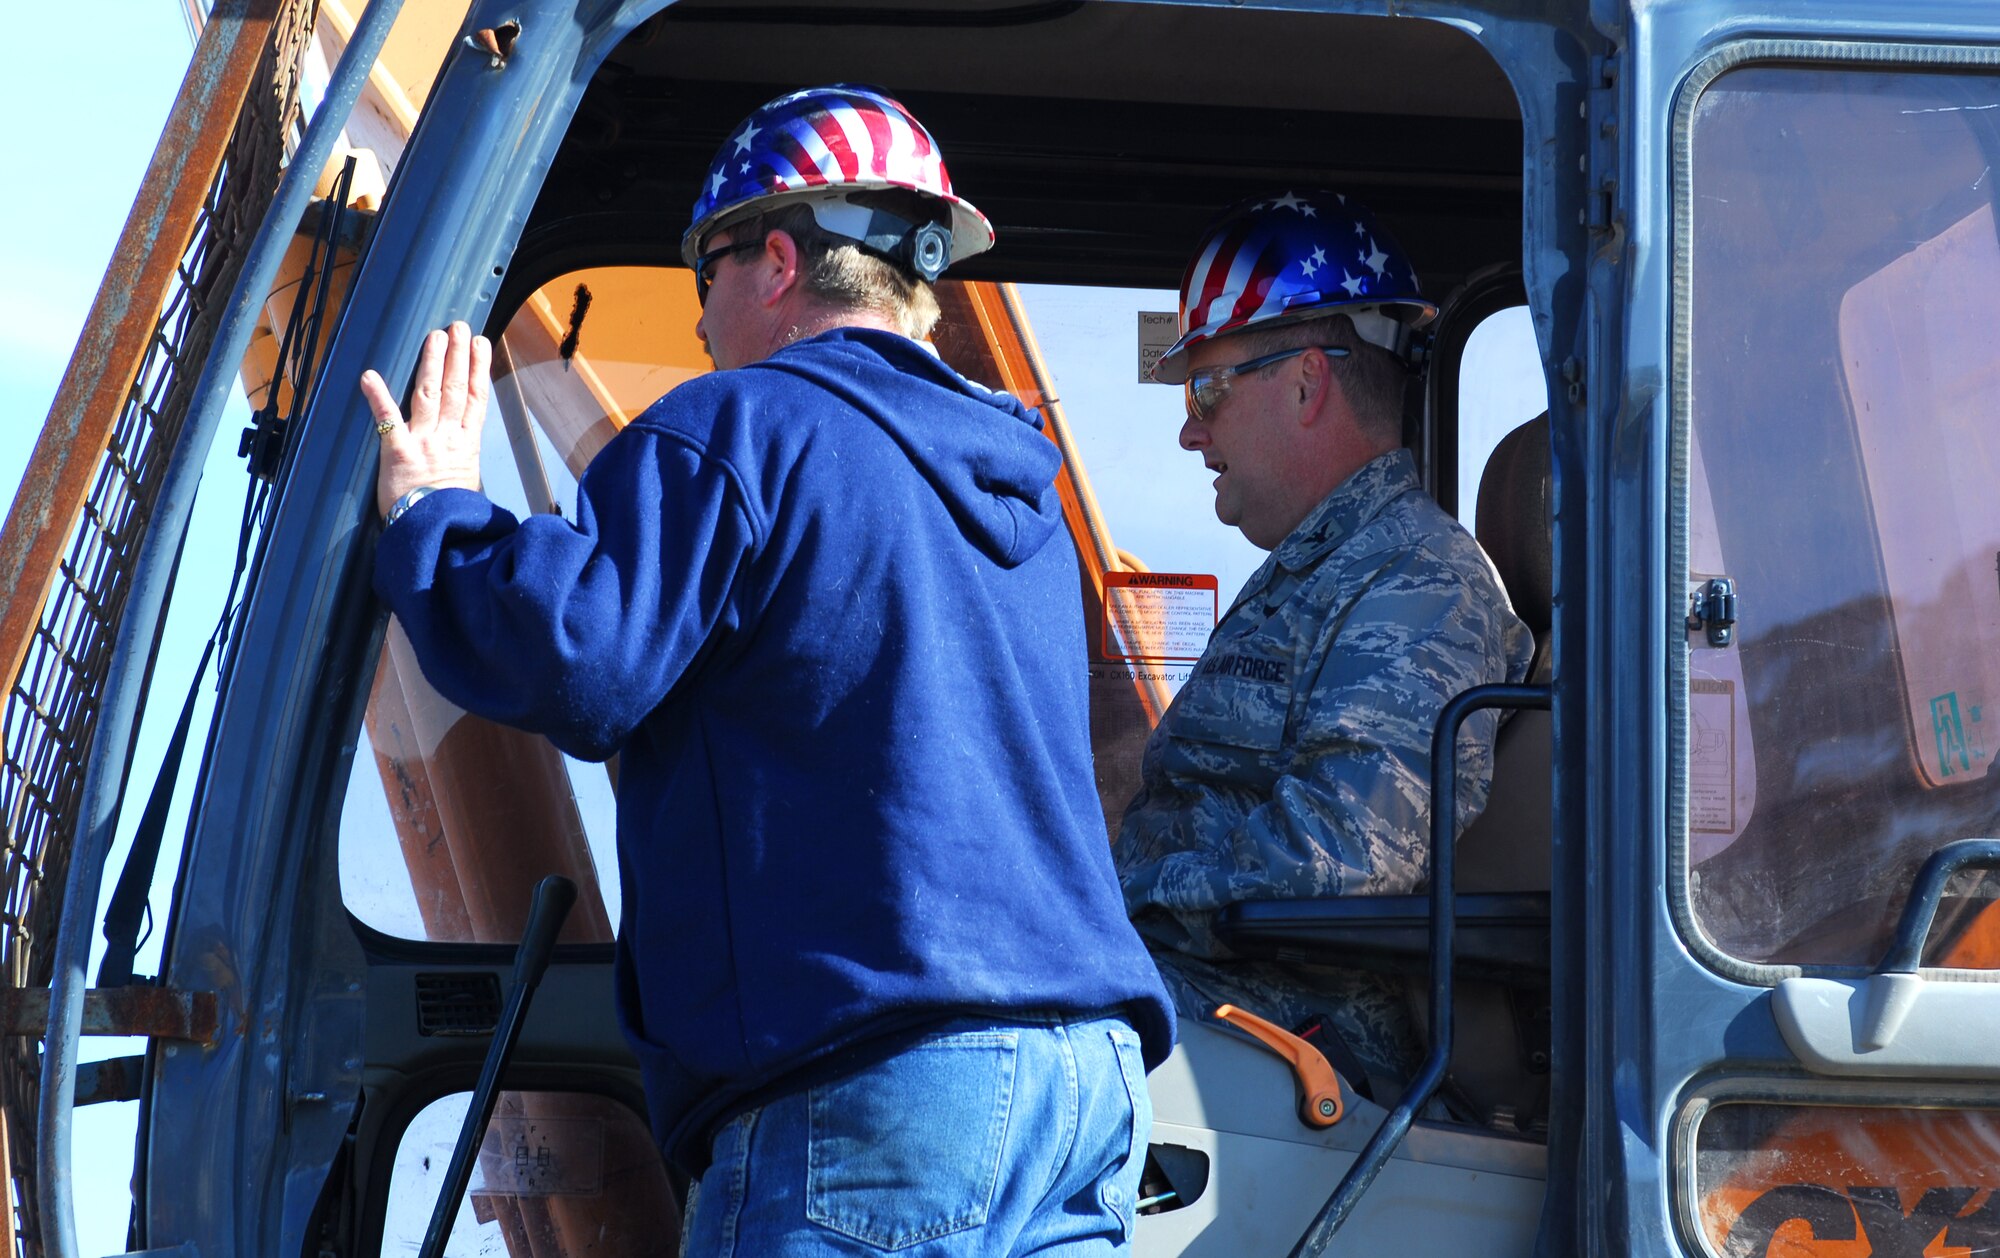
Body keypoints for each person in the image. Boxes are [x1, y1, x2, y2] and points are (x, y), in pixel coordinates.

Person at [364, 84, 1173, 1255]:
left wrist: (438, 512)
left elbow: (582, 656)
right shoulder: (1020, 495)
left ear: (777, 259)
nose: (698, 324)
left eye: (707, 273)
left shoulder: (736, 428)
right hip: (1082, 1092)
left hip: (877, 1087)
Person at [1114, 192, 1533, 1091]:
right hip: (1211, 1004)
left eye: (1207, 386)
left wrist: (1111, 907)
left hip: (1297, 1045)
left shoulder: (1420, 581)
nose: (1190, 429)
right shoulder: (1325, 568)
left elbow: (1341, 860)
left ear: (1306, 382)